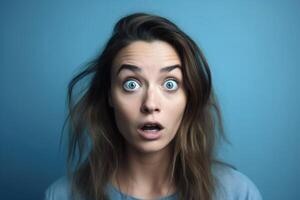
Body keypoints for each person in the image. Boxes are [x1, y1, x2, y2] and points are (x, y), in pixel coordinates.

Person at [45, 13, 262, 200]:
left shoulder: (237, 193)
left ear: (190, 96)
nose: (150, 104)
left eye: (170, 84)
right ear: (109, 95)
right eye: (131, 84)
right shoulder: (63, 195)